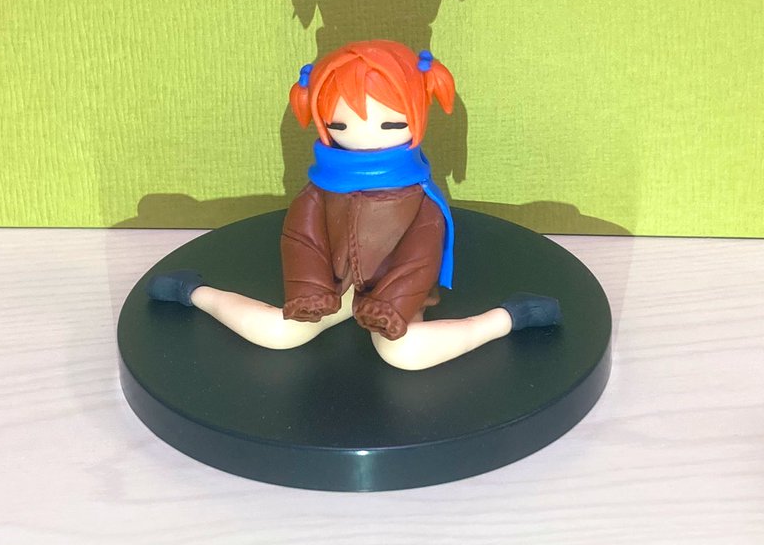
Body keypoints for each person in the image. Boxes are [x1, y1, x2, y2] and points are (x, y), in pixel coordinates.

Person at [149, 40, 560, 370]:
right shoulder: (320, 189)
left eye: (391, 123)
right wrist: (312, 292)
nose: (365, 135)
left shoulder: (419, 198)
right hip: (337, 289)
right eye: (340, 124)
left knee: (404, 354)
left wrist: (390, 305)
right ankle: (194, 291)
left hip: (395, 296)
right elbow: (302, 239)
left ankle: (507, 318)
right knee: (278, 333)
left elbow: (420, 257)